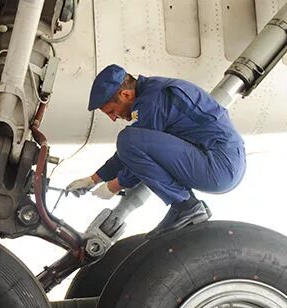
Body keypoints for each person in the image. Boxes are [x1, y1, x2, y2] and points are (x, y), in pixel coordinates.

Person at [67, 64, 246, 238]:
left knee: (127, 139)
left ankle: (185, 206)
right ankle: (186, 205)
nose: (114, 118)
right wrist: (93, 179)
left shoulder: (152, 100)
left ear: (126, 94)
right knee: (130, 141)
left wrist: (115, 185)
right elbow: (133, 153)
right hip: (224, 164)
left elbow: (133, 150)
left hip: (218, 164)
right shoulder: (153, 93)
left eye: (112, 111)